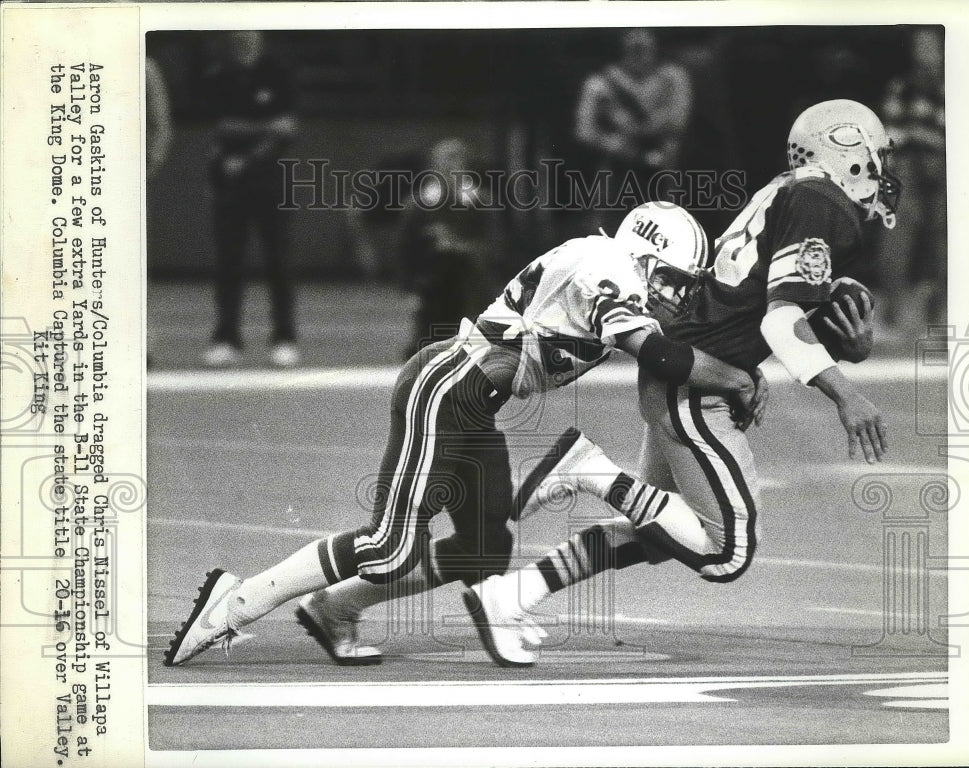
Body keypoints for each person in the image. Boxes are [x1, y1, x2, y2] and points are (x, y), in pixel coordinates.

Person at [163, 202, 766, 668]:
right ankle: (239, 601)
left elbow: (662, 341)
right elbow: (658, 353)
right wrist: (738, 377)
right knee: (386, 545)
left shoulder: (608, 261)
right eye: (675, 278)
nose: (678, 292)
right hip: (448, 388)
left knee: (482, 549)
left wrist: (741, 365)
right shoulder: (608, 268)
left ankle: (334, 608)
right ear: (647, 256)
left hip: (473, 399)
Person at [453, 99, 896, 667]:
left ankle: (510, 595)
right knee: (727, 550)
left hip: (692, 367)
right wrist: (845, 394)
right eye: (876, 153)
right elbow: (778, 320)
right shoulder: (819, 200)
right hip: (694, 380)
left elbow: (749, 300)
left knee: (662, 529)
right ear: (848, 148)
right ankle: (587, 470)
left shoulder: (790, 192)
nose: (880, 168)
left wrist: (838, 348)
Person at [201, 31, 300, 368]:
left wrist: (247, 156)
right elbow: (222, 127)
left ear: (259, 39)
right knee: (229, 264)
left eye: (250, 36)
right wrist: (266, 127)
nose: (244, 41)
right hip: (228, 185)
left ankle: (284, 338)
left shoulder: (279, 75)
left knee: (279, 263)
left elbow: (288, 130)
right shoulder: (219, 77)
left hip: (272, 184)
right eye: (238, 36)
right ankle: (226, 339)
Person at [573, 28, 693, 232]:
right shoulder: (600, 83)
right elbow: (583, 129)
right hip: (617, 169)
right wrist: (614, 143)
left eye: (644, 46)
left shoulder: (673, 77)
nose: (639, 49)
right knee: (609, 232)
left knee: (667, 230)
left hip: (663, 167)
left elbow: (678, 119)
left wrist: (629, 126)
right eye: (633, 46)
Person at [876, 27, 946, 336]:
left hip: (946, 169)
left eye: (930, 47)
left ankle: (942, 313)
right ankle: (894, 315)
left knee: (945, 244)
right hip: (907, 169)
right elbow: (890, 134)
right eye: (920, 47)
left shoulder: (955, 84)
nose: (925, 53)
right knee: (896, 238)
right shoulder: (902, 86)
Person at [398, 138, 493, 358]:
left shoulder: (481, 202)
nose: (452, 168)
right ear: (435, 166)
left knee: (474, 354)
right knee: (427, 353)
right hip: (432, 290)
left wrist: (459, 246)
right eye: (446, 161)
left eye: (458, 161)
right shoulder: (419, 204)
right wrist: (409, 289)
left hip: (469, 289)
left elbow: (494, 245)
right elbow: (404, 251)